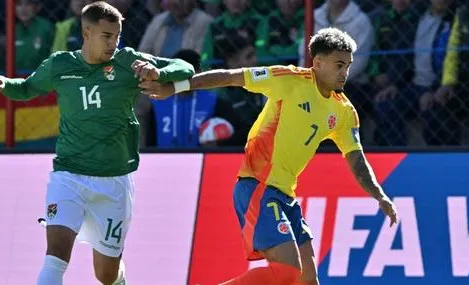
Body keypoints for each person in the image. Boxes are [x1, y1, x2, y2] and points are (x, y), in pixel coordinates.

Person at [141, 27, 398, 285]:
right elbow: (231, 76)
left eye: (348, 66)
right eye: (339, 65)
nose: (345, 72)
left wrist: (379, 195)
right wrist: (177, 87)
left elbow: (356, 157)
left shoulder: (343, 111)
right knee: (287, 272)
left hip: (286, 195)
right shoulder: (288, 79)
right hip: (258, 185)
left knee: (308, 279)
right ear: (318, 63)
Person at [0, 2, 194, 285]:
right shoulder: (60, 65)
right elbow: (27, 89)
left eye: (117, 36)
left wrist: (158, 73)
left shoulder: (128, 61)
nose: (113, 43)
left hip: (114, 181)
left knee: (106, 276)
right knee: (55, 257)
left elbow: (185, 67)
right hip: (69, 174)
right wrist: (4, 83)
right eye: (107, 36)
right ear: (86, 32)